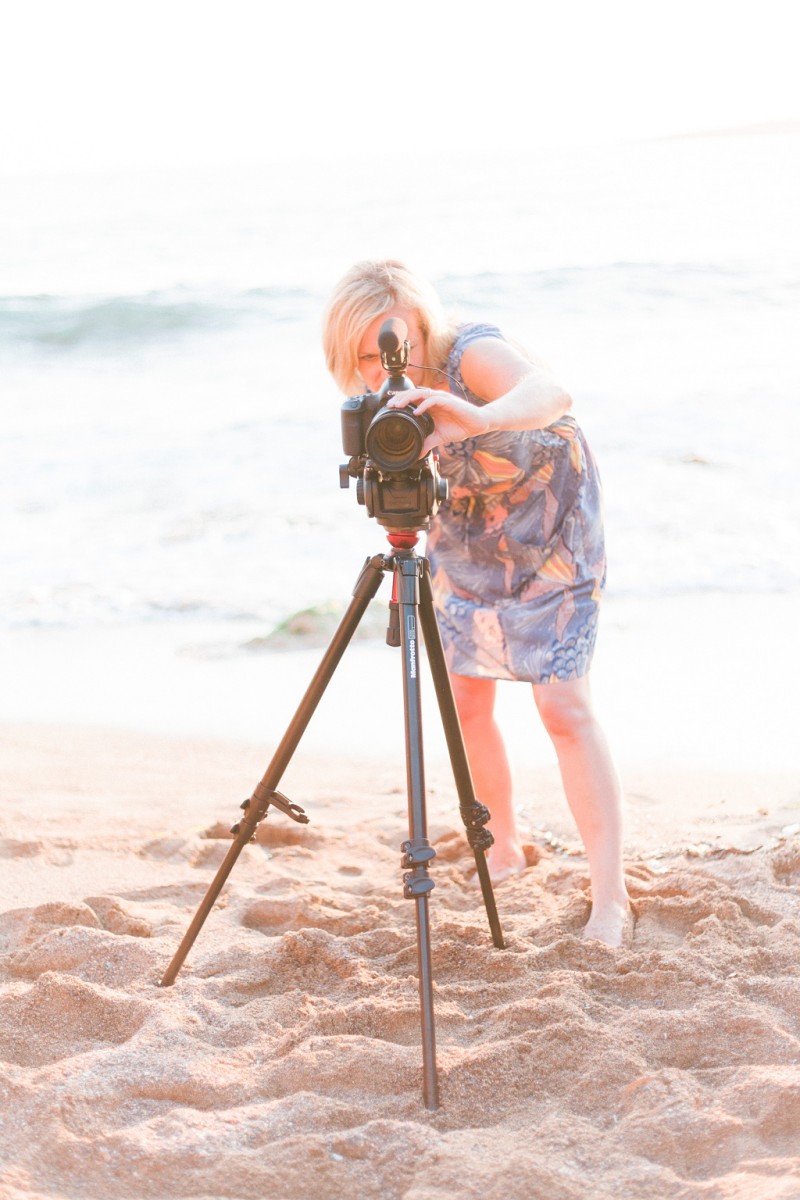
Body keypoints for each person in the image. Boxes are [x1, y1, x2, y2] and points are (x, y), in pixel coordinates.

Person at [322, 259, 632, 948]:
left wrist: (478, 417)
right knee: (465, 703)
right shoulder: (379, 400)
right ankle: (504, 846)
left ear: (423, 326)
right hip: (464, 537)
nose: (383, 366)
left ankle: (611, 896)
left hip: (551, 525)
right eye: (365, 355)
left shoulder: (470, 353)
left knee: (563, 707)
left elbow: (552, 391)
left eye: (393, 345)